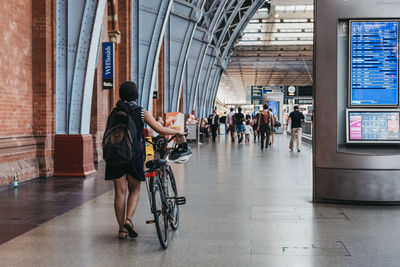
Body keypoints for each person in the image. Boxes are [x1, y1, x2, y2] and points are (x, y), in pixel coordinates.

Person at [105, 81, 186, 240]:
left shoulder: (114, 112)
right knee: (134, 190)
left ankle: (122, 230)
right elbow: (159, 129)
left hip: (115, 157)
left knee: (119, 193)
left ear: (121, 95)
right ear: (136, 95)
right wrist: (178, 132)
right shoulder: (140, 112)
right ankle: (129, 219)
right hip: (133, 156)